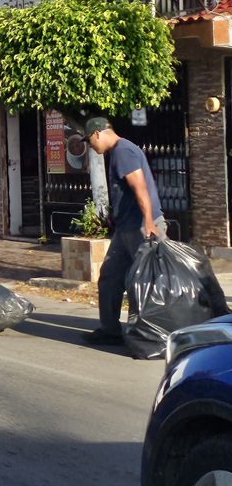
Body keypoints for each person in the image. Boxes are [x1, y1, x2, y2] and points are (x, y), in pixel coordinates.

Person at [82, 116, 166, 346]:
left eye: (89, 140)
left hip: (141, 226)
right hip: (126, 227)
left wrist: (148, 222)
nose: (90, 146)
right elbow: (126, 191)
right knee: (110, 277)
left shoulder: (123, 151)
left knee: (145, 282)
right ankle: (110, 330)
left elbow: (140, 187)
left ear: (98, 133)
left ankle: (148, 335)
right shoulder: (118, 152)